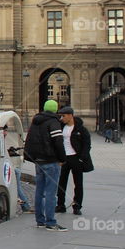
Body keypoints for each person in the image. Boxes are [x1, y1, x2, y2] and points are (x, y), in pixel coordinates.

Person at [24, 99, 68, 231]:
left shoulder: (36, 121)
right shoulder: (53, 122)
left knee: (39, 191)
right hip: (51, 160)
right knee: (51, 192)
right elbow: (58, 142)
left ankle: (40, 221)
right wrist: (62, 158)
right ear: (55, 110)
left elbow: (30, 140)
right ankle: (51, 222)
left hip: (39, 161)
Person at [55, 106, 93, 216]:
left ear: (71, 115)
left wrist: (82, 158)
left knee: (78, 184)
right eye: (60, 116)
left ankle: (77, 206)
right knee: (61, 182)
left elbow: (87, 144)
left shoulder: (81, 129)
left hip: (76, 158)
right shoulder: (61, 127)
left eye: (63, 116)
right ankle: (60, 205)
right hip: (64, 158)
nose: (62, 118)